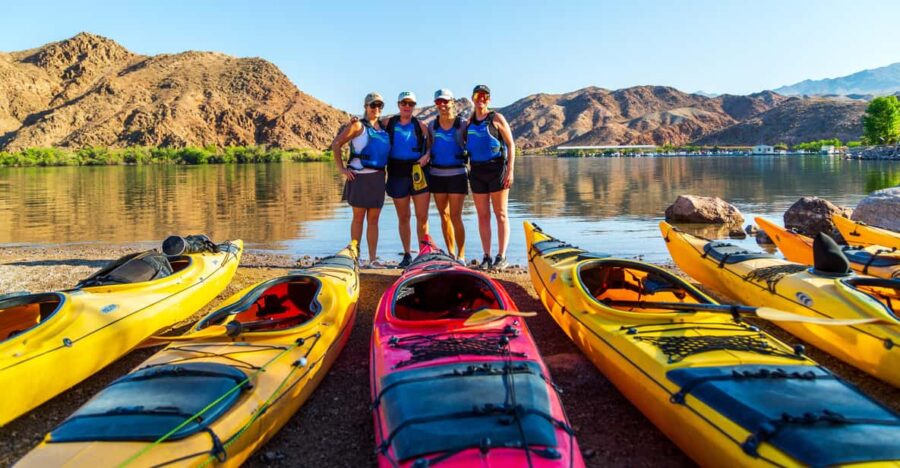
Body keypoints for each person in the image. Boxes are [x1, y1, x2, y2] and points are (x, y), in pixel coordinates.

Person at [331, 92, 390, 268]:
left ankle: (373, 259)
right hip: (359, 178)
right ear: (366, 107)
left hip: (378, 178)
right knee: (358, 218)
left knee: (374, 220)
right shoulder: (357, 126)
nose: (376, 108)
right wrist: (342, 169)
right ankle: (354, 258)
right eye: (373, 105)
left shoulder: (384, 126)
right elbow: (336, 144)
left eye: (380, 105)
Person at [466, 84, 516, 271]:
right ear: (473, 98)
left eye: (485, 96)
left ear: (489, 99)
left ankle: (501, 256)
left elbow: (511, 145)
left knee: (500, 213)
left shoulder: (496, 118)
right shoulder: (469, 121)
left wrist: (510, 170)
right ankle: (486, 256)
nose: (481, 99)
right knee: (482, 215)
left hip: (497, 170)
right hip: (477, 172)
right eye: (478, 95)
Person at [384, 91, 431, 268]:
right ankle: (407, 254)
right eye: (404, 103)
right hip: (397, 172)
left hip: (418, 171)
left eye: (410, 104)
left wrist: (427, 155)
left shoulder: (420, 125)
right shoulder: (389, 122)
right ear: (398, 104)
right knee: (403, 216)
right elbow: (370, 127)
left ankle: (423, 253)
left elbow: (431, 146)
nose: (407, 106)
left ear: (414, 106)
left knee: (422, 217)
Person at [427, 89, 468, 262]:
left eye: (445, 101)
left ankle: (461, 255)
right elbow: (429, 147)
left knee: (456, 216)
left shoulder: (463, 124)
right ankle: (451, 253)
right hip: (437, 175)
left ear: (452, 102)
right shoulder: (432, 126)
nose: (442, 105)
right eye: (438, 102)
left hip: (457, 174)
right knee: (443, 215)